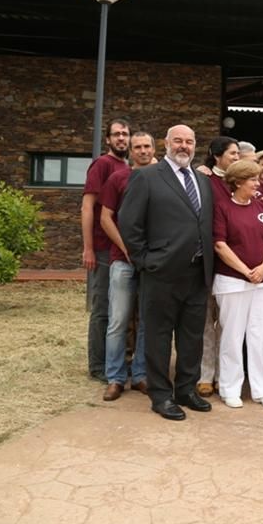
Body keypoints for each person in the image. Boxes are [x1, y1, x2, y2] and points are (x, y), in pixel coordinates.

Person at [119, 124, 214, 421]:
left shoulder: (202, 180)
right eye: (178, 141)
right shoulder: (146, 177)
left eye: (189, 141)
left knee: (192, 338)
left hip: (198, 273)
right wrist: (145, 261)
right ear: (166, 143)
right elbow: (129, 224)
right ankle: (160, 395)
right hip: (161, 274)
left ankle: (186, 390)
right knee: (158, 337)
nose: (184, 146)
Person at [213, 160, 263, 409]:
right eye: (253, 179)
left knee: (259, 336)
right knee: (232, 335)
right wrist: (245, 270)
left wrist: (262, 268)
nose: (258, 183)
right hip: (232, 282)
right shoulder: (222, 207)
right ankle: (229, 388)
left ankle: (262, 389)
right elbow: (220, 245)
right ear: (238, 181)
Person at [98, 130, 155, 401]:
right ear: (130, 152)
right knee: (118, 321)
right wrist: (126, 248)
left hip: (151, 263)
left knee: (146, 321)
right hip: (122, 262)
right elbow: (106, 217)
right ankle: (116, 378)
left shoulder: (161, 179)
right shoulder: (118, 178)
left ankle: (141, 375)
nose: (143, 151)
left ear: (154, 149)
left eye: (147, 146)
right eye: (138, 147)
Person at [81, 118, 131, 382]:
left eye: (125, 134)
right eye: (117, 134)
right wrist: (88, 247)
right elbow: (88, 207)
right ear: (108, 139)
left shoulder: (128, 166)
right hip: (102, 248)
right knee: (103, 307)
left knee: (120, 310)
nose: (122, 138)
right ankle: (97, 365)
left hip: (121, 251)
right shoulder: (102, 164)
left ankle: (119, 360)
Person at [195, 136, 240, 398]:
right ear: (216, 154)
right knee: (204, 322)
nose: (236, 157)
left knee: (226, 323)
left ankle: (225, 375)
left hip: (232, 261)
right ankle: (204, 375)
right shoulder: (203, 179)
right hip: (207, 260)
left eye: (237, 154)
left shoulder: (238, 182)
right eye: (232, 153)